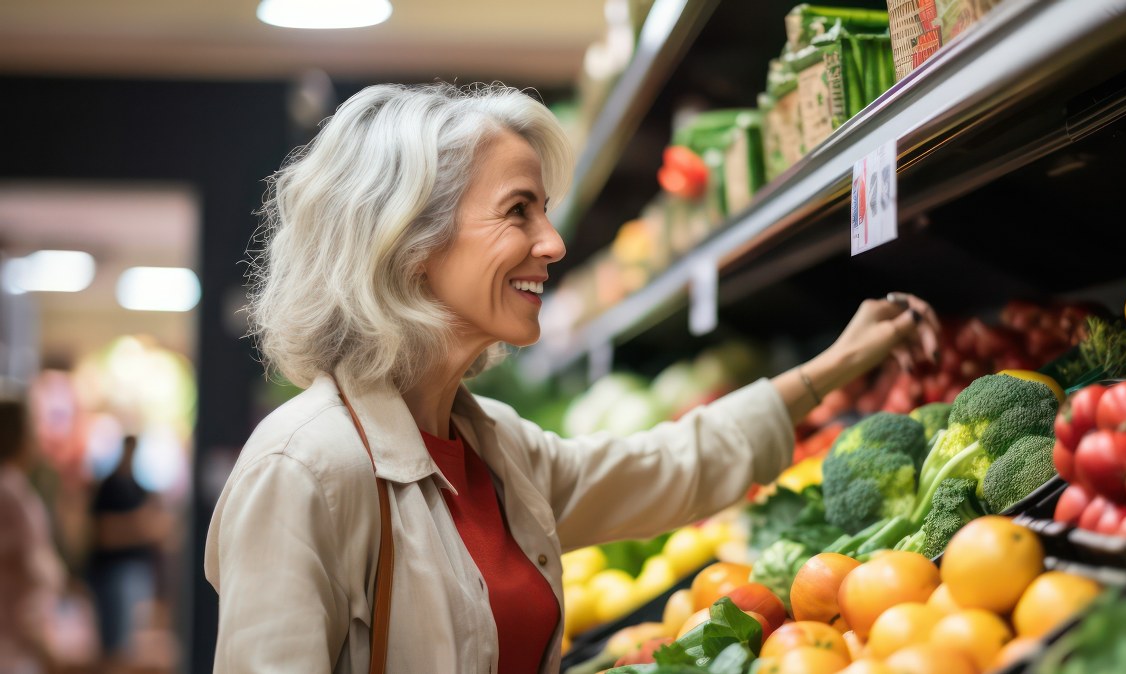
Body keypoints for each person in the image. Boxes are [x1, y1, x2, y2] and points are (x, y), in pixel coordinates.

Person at [206, 82, 941, 673]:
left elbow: (667, 467)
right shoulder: (303, 470)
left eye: (545, 213)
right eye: (517, 212)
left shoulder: (490, 447)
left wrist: (834, 367)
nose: (552, 244)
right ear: (411, 245)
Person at [88, 435, 171, 663]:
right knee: (118, 648)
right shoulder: (111, 486)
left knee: (132, 647)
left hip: (136, 572)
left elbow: (159, 528)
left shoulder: (137, 487)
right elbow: (105, 533)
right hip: (117, 573)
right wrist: (141, 525)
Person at [0, 396, 64, 674]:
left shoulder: (14, 486)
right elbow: (32, 569)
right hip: (14, 645)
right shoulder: (9, 492)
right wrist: (41, 640)